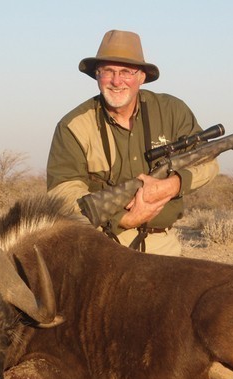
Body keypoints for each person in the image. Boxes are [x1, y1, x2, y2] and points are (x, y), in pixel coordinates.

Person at [47, 30, 218, 256]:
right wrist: (124, 219)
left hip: (162, 244)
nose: (116, 81)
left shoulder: (172, 111)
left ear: (141, 77)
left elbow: (208, 162)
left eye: (126, 71)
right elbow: (62, 193)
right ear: (97, 76)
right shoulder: (73, 125)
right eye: (108, 71)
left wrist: (173, 184)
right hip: (97, 244)